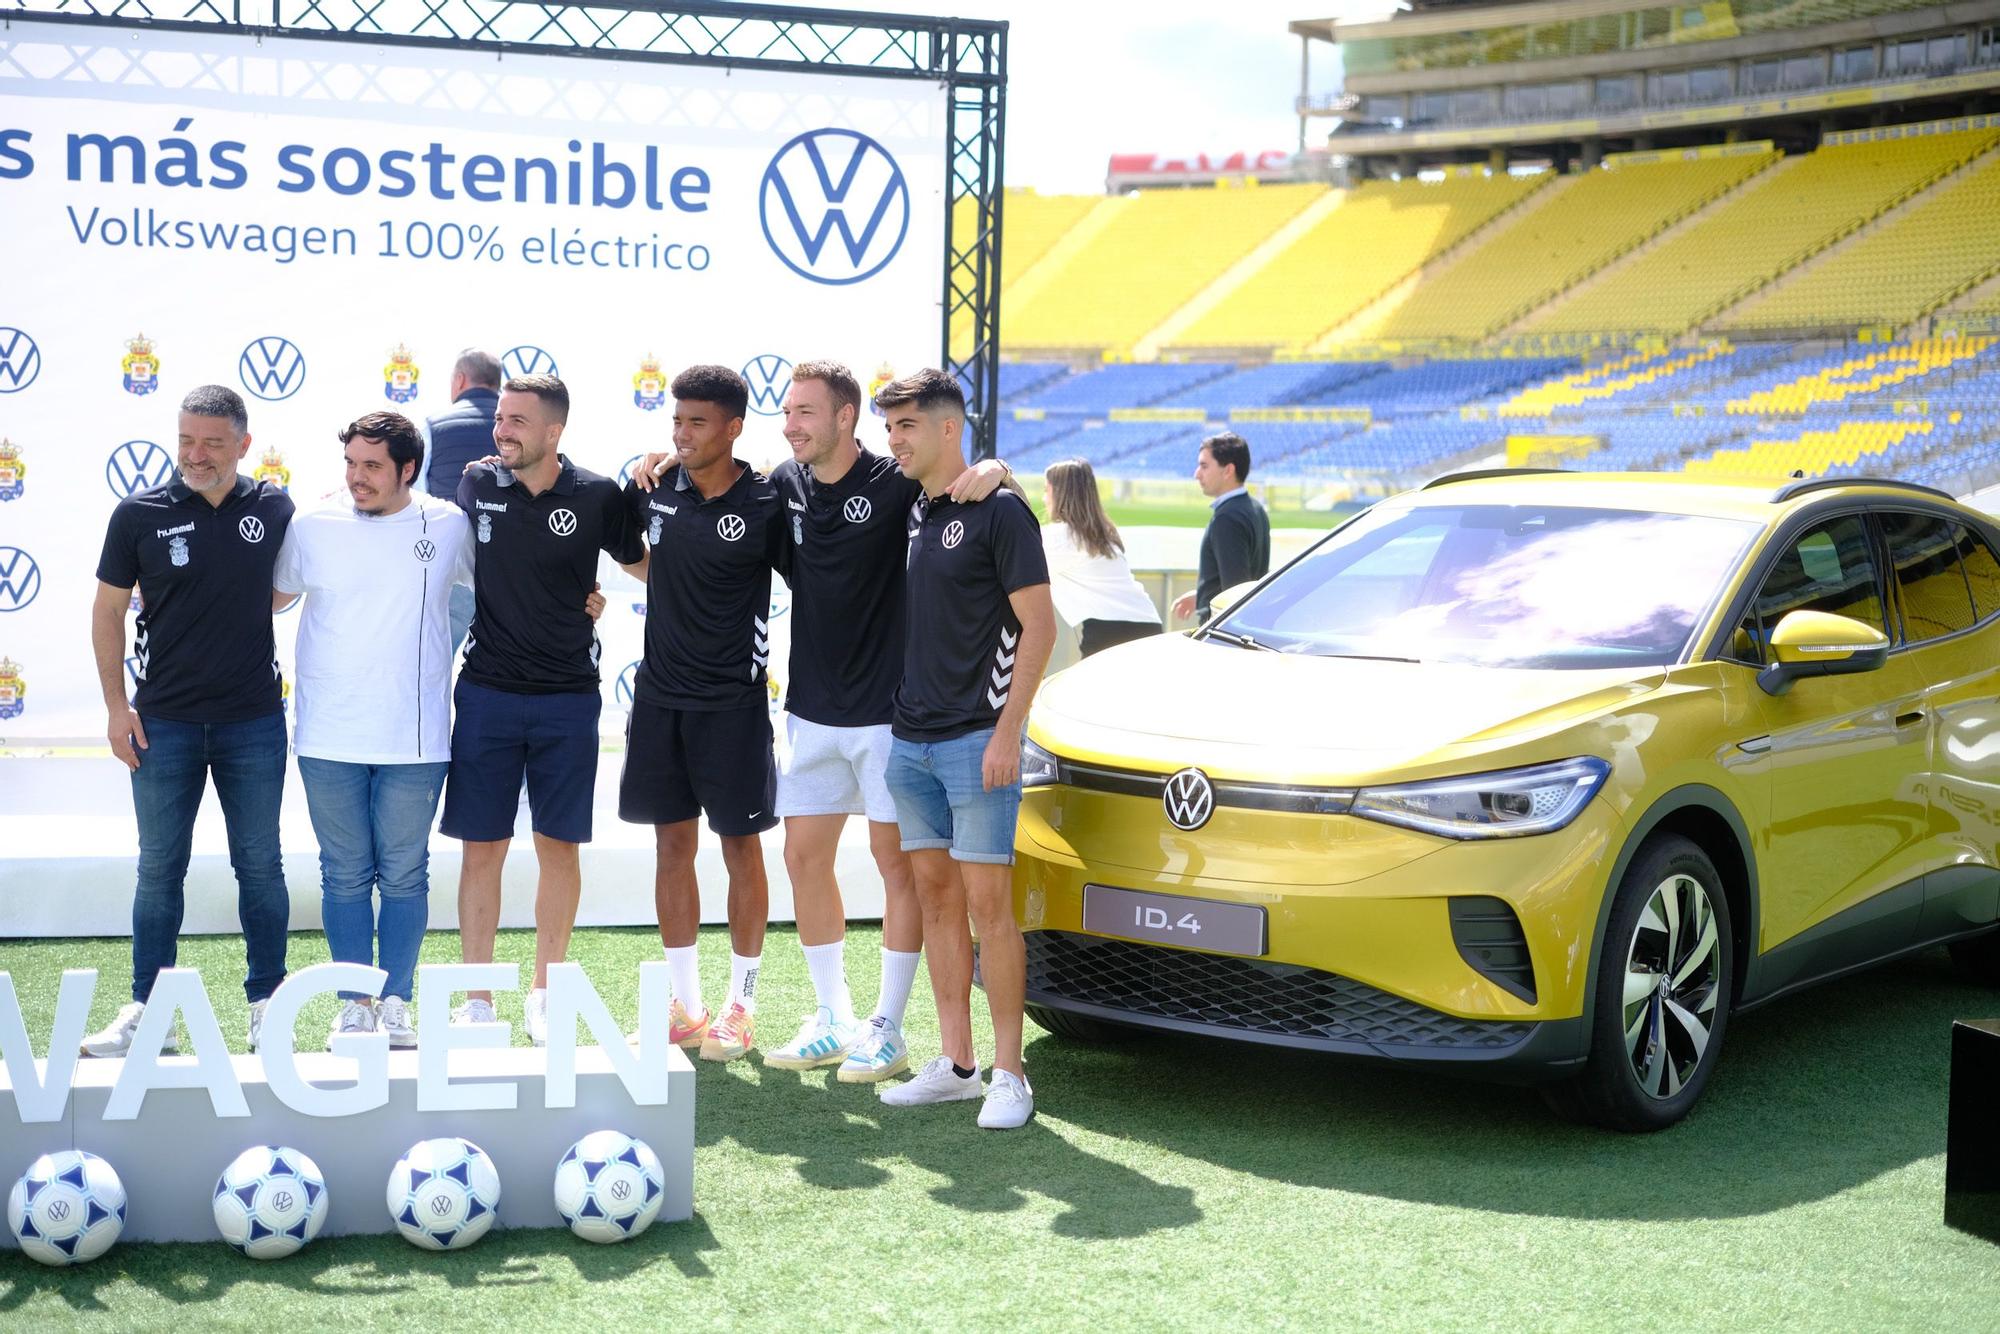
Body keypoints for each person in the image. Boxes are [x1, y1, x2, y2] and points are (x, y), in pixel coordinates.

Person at [633, 361, 1007, 1083]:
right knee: (804, 859)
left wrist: (995, 467)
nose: (791, 424)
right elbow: (712, 500)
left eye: (806, 412)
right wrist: (660, 463)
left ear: (845, 419)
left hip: (890, 717)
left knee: (895, 865)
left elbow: (968, 487)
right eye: (787, 412)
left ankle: (887, 1027)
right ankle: (832, 1015)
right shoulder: (782, 488)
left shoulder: (897, 485)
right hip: (809, 710)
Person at [84, 385, 296, 1056]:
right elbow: (107, 612)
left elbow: (305, 580)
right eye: (185, 440)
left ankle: (269, 1006)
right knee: (158, 871)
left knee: (260, 867)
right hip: (163, 723)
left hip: (253, 722)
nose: (194, 454)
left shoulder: (276, 507)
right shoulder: (138, 514)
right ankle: (151, 1014)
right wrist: (118, 708)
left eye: (210, 442)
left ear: (243, 444)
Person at [875, 369, 1055, 1130]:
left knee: (990, 910)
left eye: (907, 426)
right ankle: (956, 1064)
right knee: (938, 903)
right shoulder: (918, 506)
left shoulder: (1003, 512)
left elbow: (1042, 628)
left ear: (950, 429)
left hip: (977, 741)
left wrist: (1008, 734)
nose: (894, 441)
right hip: (910, 742)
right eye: (889, 428)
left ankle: (1011, 1076)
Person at [445, 374, 646, 1044]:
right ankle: (478, 1000)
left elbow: (647, 564)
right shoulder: (476, 483)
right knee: (483, 847)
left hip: (567, 699)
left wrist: (603, 596)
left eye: (517, 422)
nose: (502, 430)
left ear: (554, 431)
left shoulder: (596, 494)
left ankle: (544, 992)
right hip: (487, 694)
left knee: (558, 846)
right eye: (500, 419)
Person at [618, 365, 786, 1063]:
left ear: (734, 427)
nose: (682, 434)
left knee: (740, 850)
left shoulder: (770, 501)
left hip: (734, 706)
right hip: (659, 701)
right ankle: (686, 1008)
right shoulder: (655, 489)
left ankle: (741, 1006)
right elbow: (636, 558)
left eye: (697, 422)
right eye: (677, 422)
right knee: (671, 848)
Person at [423, 348, 503, 650]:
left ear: (459, 380)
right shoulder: (524, 428)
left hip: (449, 561)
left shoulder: (432, 425)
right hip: (508, 567)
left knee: (435, 660)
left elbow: (414, 496)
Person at [1041, 457, 1162, 657]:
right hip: (1148, 625)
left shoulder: (1058, 536)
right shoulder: (1103, 533)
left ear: (1059, 493)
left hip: (1109, 630)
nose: (1045, 498)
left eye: (1047, 490)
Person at [1170, 432, 1271, 625]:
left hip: (1222, 634)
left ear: (1228, 470)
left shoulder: (1227, 518)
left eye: (1204, 466)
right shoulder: (1255, 508)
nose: (1197, 474)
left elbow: (1235, 592)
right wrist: (1202, 595)